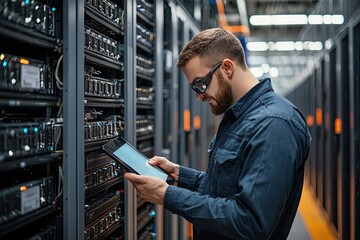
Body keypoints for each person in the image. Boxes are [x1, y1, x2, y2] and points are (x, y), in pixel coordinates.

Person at [124, 27, 311, 240]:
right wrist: (178, 174)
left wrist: (167, 195)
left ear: (227, 68)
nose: (199, 96)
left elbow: (250, 222)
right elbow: (226, 187)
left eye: (200, 85)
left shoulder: (274, 124)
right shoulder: (238, 117)